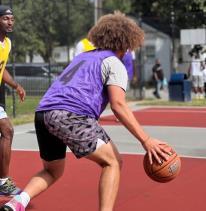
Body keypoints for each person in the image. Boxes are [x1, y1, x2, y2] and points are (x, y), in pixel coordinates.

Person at [0, 12, 170, 211]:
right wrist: (146, 140)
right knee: (113, 162)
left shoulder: (83, 57)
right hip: (71, 115)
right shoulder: (115, 63)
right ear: (128, 43)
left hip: (43, 113)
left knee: (53, 171)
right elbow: (119, 105)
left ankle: (17, 203)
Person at [0, 5, 26, 196]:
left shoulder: (7, 43)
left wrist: (16, 86)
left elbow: (2, 69)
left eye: (12, 19)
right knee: (7, 130)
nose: (10, 22)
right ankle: (2, 182)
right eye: (5, 18)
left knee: (7, 131)